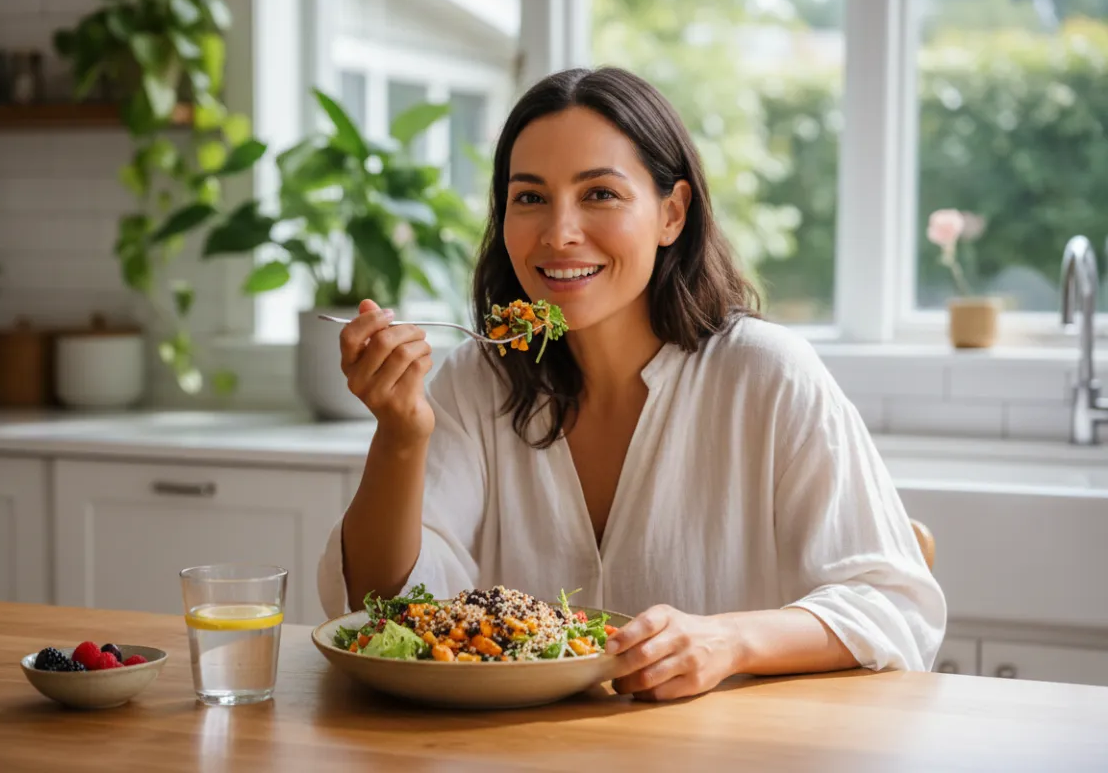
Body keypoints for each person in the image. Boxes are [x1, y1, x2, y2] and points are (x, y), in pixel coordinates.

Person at [317, 66, 945, 701]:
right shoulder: (472, 382)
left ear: (671, 214)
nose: (559, 232)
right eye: (530, 197)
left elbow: (893, 604)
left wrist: (728, 640)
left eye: (600, 195)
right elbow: (385, 611)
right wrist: (400, 435)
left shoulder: (767, 374)